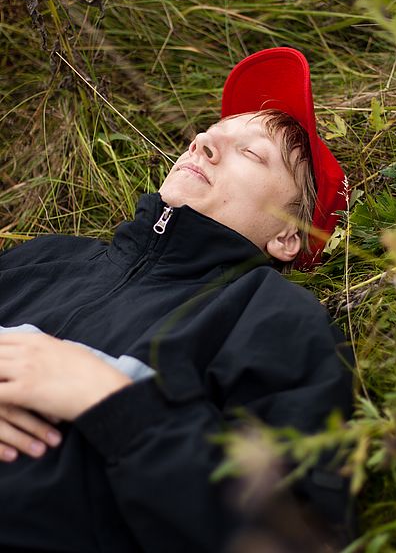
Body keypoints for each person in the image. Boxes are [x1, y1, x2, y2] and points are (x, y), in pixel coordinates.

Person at [0, 48, 354, 552]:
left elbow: (292, 535)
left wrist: (113, 404)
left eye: (252, 154)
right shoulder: (46, 258)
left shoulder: (277, 322)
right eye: (212, 131)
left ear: (287, 237)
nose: (204, 142)